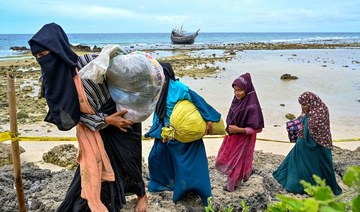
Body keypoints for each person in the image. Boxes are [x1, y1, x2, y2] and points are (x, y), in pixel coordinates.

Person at [28, 23, 148, 212]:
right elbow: (71, 116)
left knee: (129, 159)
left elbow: (124, 74)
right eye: (37, 57)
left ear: (58, 49)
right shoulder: (50, 82)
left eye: (44, 54)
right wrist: (106, 120)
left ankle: (142, 196)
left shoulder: (90, 63)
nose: (41, 60)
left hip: (121, 115)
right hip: (94, 127)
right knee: (92, 172)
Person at [145, 62, 221, 205]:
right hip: (168, 133)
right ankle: (161, 185)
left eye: (159, 74)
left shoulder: (178, 88)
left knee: (188, 165)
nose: (157, 77)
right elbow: (159, 114)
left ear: (166, 75)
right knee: (156, 157)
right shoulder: (158, 90)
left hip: (185, 133)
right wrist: (160, 132)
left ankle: (197, 192)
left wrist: (209, 119)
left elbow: (197, 100)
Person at [273, 91, 342, 195]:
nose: (303, 107)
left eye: (305, 105)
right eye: (301, 105)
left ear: (311, 102)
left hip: (319, 144)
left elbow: (316, 127)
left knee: (321, 166)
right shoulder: (309, 109)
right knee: (297, 165)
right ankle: (295, 186)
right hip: (304, 142)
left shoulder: (321, 111)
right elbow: (302, 118)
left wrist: (303, 125)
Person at [215, 73, 264, 192]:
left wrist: (239, 130)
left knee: (238, 161)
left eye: (240, 90)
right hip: (232, 137)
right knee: (225, 158)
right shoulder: (237, 101)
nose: (237, 93)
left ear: (247, 90)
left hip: (243, 139)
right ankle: (235, 183)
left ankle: (231, 186)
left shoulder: (252, 106)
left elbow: (258, 128)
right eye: (235, 90)